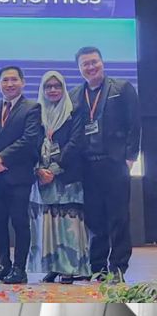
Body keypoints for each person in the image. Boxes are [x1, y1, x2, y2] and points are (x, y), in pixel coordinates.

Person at [69, 46, 141, 281]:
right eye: (85, 64)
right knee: (94, 218)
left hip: (115, 163)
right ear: (79, 69)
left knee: (118, 217)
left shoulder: (121, 88)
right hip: (87, 166)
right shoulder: (75, 95)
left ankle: (118, 267)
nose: (90, 67)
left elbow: (134, 124)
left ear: (102, 62)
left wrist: (130, 157)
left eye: (94, 62)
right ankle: (98, 267)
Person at [0, 66, 42, 285]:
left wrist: (2, 158)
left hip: (19, 177)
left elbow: (29, 139)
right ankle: (4, 265)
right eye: (5, 80)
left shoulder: (32, 108)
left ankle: (19, 268)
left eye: (14, 79)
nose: (9, 84)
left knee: (19, 222)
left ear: (23, 82)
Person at [28, 71, 90, 284]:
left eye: (57, 86)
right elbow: (31, 143)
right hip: (42, 179)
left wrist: (53, 169)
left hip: (67, 177)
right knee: (49, 223)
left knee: (68, 224)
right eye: (48, 87)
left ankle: (70, 268)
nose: (53, 90)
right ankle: (53, 266)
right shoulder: (37, 114)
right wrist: (38, 169)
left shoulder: (74, 112)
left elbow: (76, 143)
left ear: (64, 89)